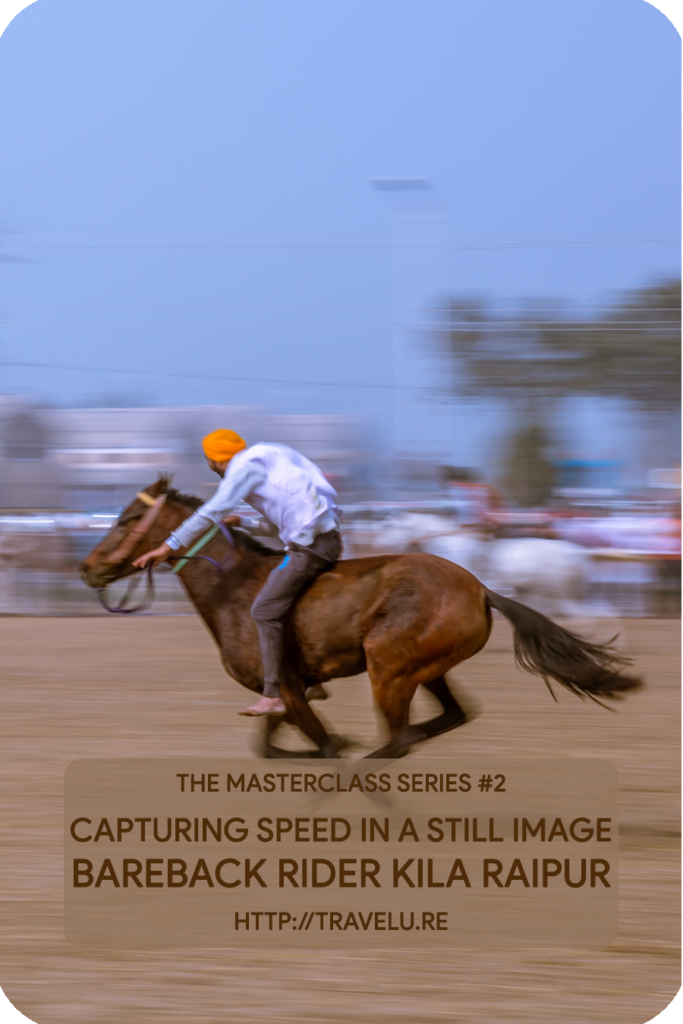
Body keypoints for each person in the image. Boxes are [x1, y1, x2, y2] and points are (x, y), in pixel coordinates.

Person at [133, 429, 342, 716]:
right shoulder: (270, 456)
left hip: (310, 548)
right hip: (322, 540)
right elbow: (280, 525)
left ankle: (273, 696)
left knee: (264, 610)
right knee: (280, 603)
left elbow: (211, 512)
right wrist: (243, 523)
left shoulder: (242, 470)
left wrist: (168, 547)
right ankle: (309, 680)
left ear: (213, 461)